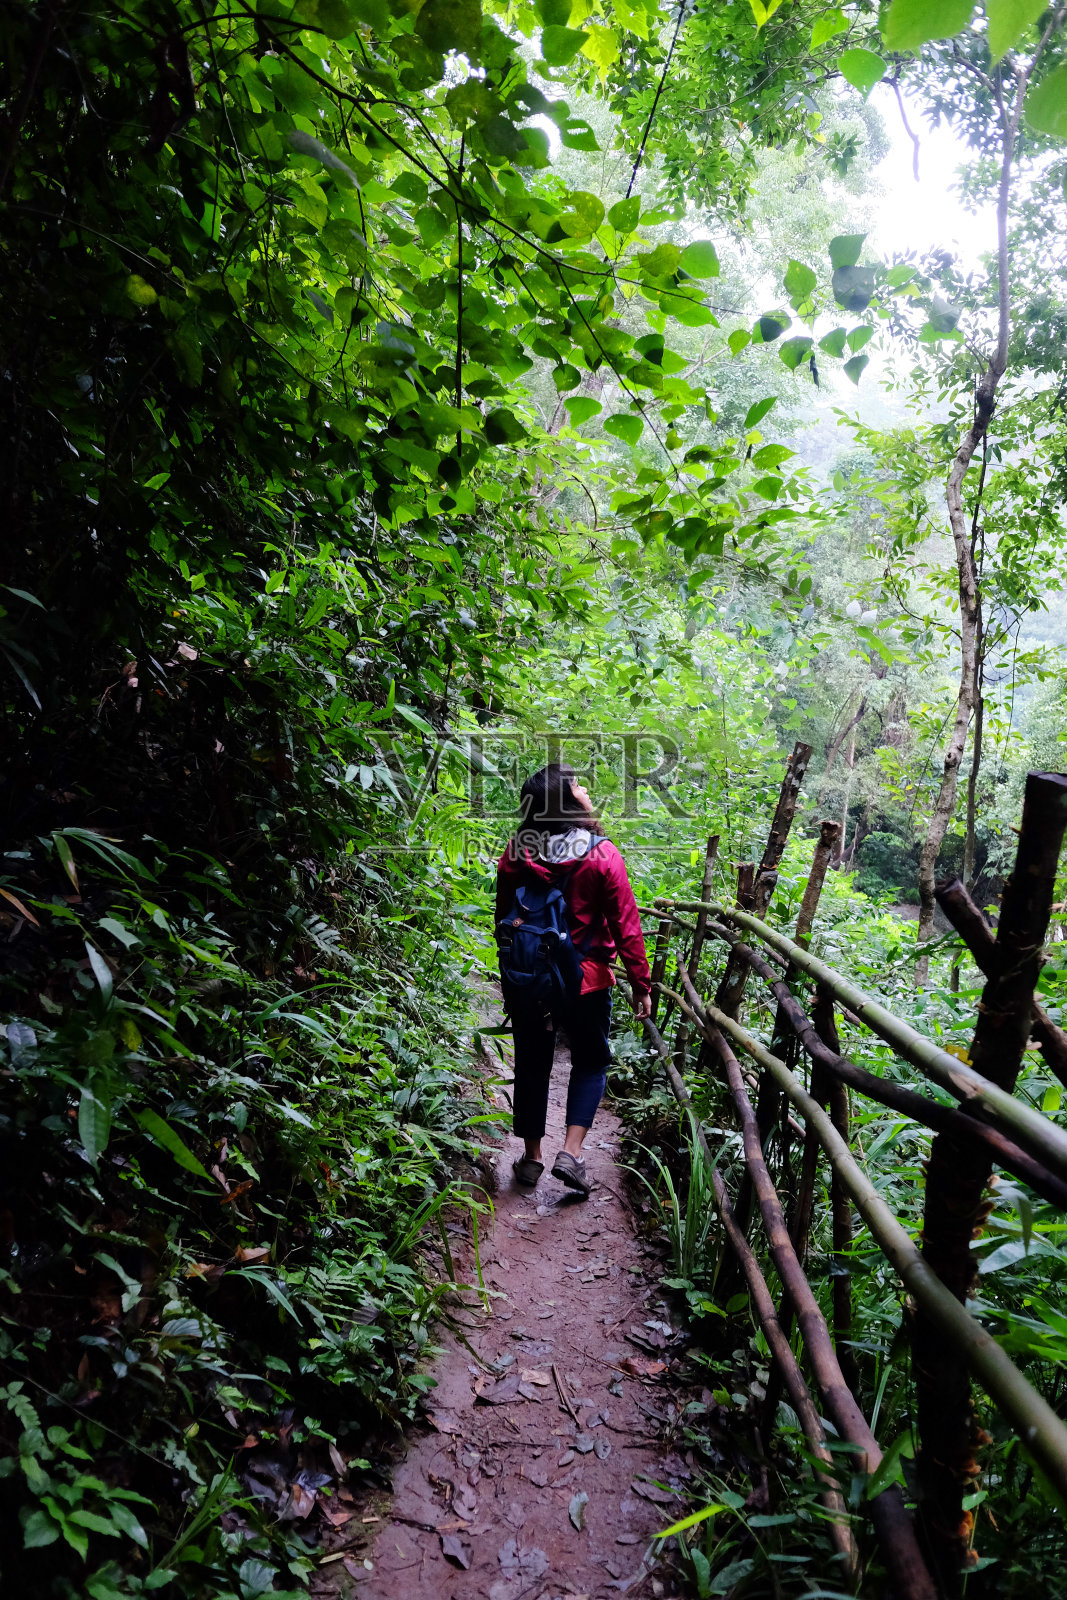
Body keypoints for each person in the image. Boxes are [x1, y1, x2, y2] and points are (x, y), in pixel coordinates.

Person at [495, 763, 652, 1198]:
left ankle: (531, 1158)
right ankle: (572, 1152)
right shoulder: (601, 854)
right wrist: (642, 985)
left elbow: (504, 919)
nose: (584, 790)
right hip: (586, 979)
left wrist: (513, 976)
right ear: (567, 802)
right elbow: (626, 926)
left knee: (531, 1063)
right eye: (577, 786)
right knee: (590, 1061)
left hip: (531, 978)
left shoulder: (516, 852)